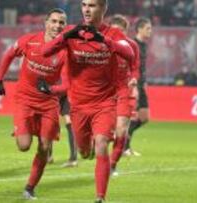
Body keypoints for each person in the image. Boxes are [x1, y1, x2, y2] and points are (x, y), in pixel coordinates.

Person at [40, 1, 134, 202]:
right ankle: (85, 148)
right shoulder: (72, 32)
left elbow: (129, 53)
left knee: (101, 144)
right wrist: (65, 36)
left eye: (92, 5)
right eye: (84, 5)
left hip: (105, 103)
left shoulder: (113, 34)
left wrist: (105, 41)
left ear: (103, 8)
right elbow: (45, 51)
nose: (87, 9)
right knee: (84, 152)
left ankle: (100, 197)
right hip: (78, 105)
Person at [0, 8, 68, 200]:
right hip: (24, 99)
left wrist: (51, 90)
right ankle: (23, 129)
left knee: (44, 147)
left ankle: (29, 187)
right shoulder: (29, 40)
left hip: (49, 102)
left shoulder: (65, 52)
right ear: (46, 23)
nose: (57, 25)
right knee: (24, 146)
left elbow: (68, 85)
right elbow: (9, 54)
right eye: (53, 21)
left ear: (64, 26)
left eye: (61, 22)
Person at [108, 14, 140, 176]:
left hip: (124, 91)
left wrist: (134, 79)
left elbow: (135, 67)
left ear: (125, 32)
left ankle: (112, 165)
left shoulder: (132, 46)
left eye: (120, 31)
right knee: (104, 132)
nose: (117, 34)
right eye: (114, 31)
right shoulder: (103, 44)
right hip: (104, 91)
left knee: (121, 130)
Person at [124, 17, 152, 156]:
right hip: (134, 84)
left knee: (145, 117)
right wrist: (133, 84)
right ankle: (125, 146)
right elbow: (131, 66)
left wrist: (144, 81)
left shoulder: (144, 45)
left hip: (141, 83)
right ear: (140, 29)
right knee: (133, 117)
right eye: (148, 28)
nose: (150, 31)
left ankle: (123, 141)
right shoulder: (133, 44)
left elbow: (142, 67)